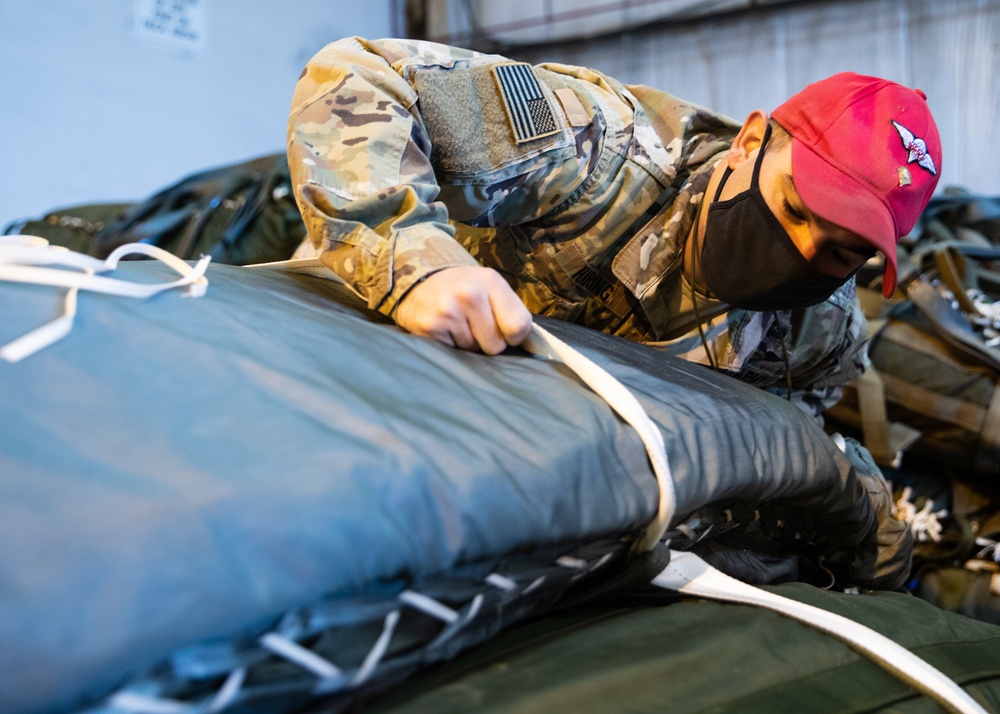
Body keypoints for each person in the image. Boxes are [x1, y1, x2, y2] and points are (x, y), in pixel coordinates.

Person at [286, 36, 942, 420]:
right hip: (381, 337)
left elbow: (785, 429)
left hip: (545, 440)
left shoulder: (819, 331)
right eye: (796, 208)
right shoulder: (594, 149)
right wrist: (417, 262)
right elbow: (359, 72)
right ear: (747, 141)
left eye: (841, 251)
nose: (802, 249)